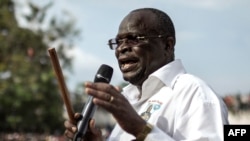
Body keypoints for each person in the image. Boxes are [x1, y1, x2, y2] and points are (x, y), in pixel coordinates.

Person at [64, 7, 229, 141]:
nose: (122, 48)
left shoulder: (193, 93)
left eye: (134, 38)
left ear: (167, 45)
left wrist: (140, 129)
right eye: (118, 41)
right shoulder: (130, 98)